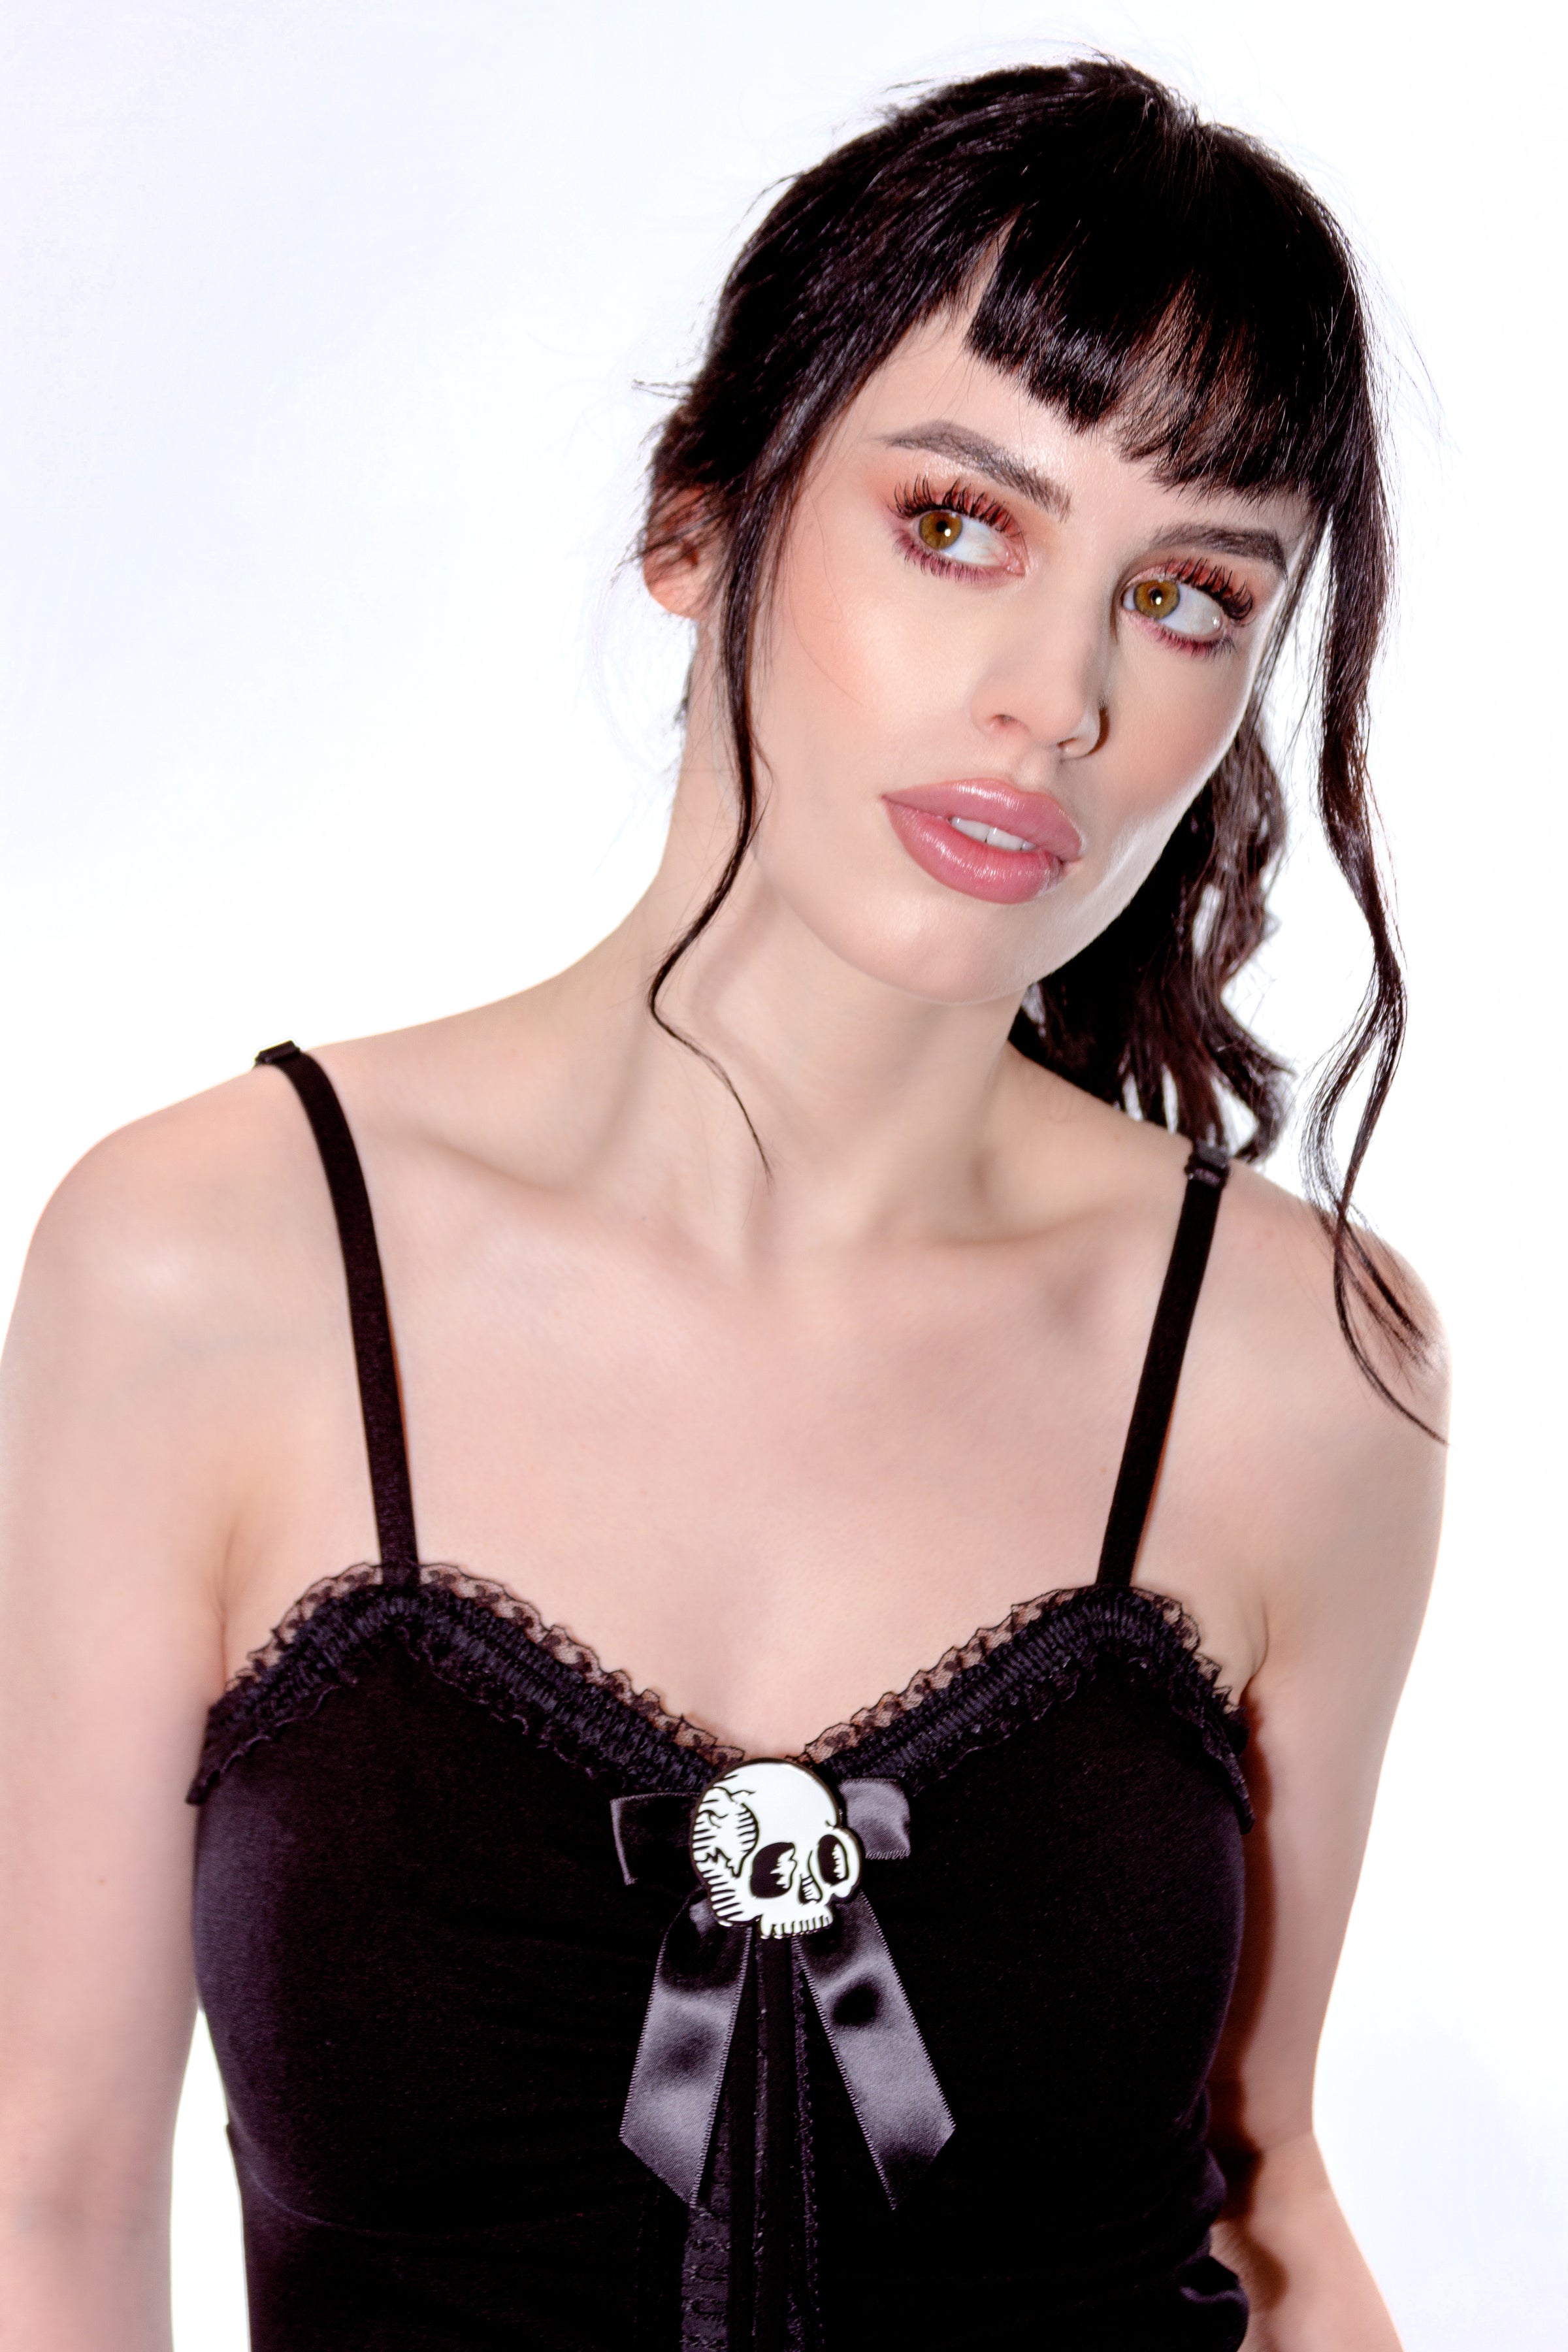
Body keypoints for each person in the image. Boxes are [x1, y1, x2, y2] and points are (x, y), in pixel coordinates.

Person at [0, 57, 1448, 2352]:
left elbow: (1266, 2197)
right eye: (958, 524)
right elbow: (52, 2208)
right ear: (700, 522)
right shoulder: (212, 1265)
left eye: (1186, 596)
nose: (1058, 697)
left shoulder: (1302, 1364)